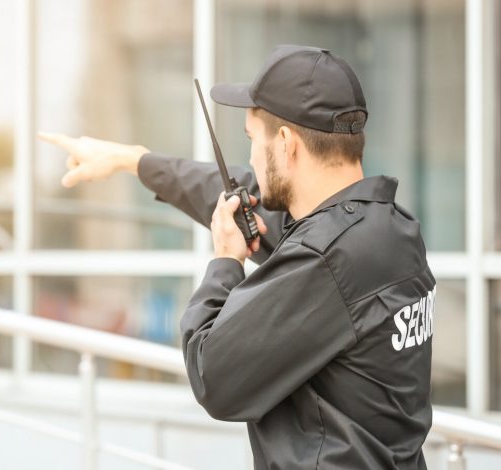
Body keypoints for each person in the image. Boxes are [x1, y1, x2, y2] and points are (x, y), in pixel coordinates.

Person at [39, 44, 435, 469]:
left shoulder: (324, 260)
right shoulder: (390, 229)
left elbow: (214, 376)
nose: (248, 157)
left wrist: (226, 262)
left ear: (285, 144)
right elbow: (241, 194)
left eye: (252, 140)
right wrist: (133, 160)